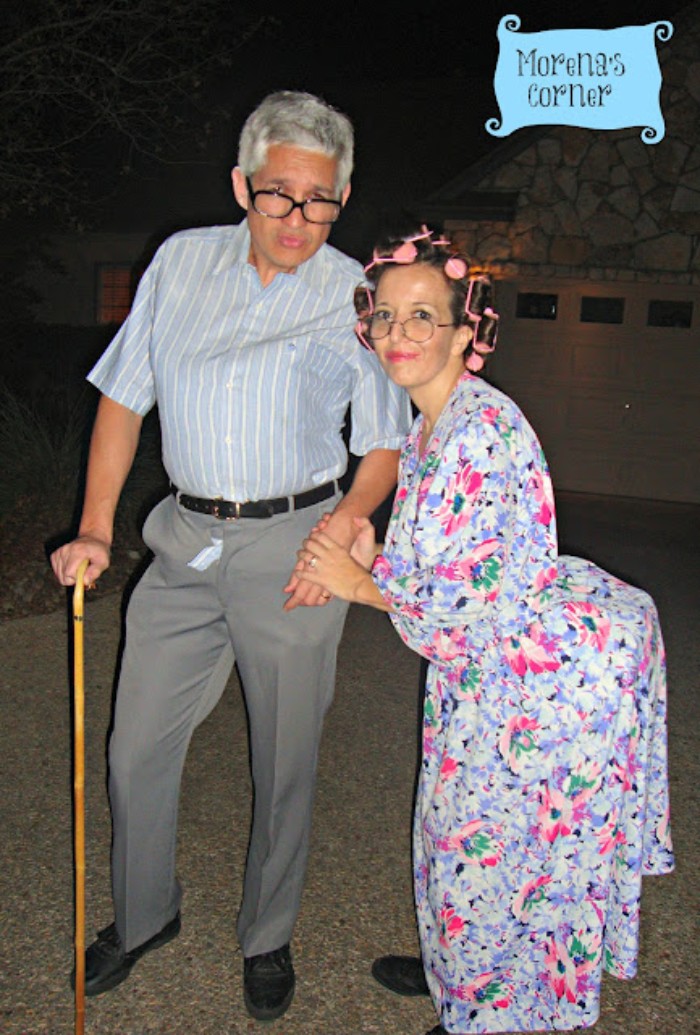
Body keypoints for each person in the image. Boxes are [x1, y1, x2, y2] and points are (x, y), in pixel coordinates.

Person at [51, 90, 410, 1021]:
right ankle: (143, 915)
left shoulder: (353, 295)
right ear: (243, 184)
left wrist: (346, 525)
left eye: (321, 199)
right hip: (184, 541)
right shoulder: (181, 262)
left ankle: (268, 933)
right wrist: (95, 526)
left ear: (341, 198)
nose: (299, 219)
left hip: (297, 546)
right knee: (134, 751)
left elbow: (382, 442)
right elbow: (125, 399)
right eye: (280, 195)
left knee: (284, 758)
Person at [296, 228, 674, 1034]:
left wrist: (358, 583)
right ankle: (459, 973)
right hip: (490, 676)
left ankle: (491, 1009)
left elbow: (469, 607)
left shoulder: (478, 432)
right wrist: (377, 552)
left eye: (423, 317)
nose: (399, 334)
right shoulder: (428, 423)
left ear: (466, 335)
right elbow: (443, 561)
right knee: (456, 839)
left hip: (533, 688)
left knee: (499, 855)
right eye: (387, 316)